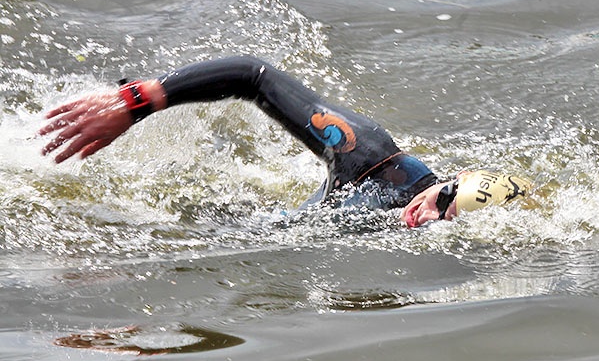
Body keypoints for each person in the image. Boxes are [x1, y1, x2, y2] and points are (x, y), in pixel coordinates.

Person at [39, 55, 532, 227]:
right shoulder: (371, 157)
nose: (426, 215)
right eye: (443, 198)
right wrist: (135, 102)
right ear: (455, 179)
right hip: (228, 221)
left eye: (445, 222)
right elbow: (254, 76)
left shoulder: (425, 235)